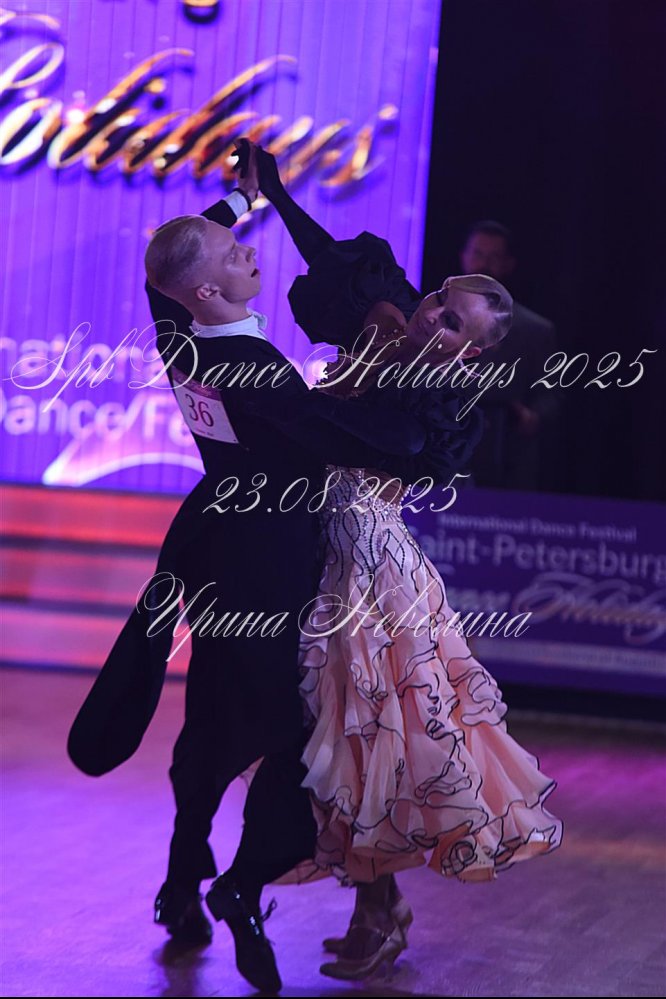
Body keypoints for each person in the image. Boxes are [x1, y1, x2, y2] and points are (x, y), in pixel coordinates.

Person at [67, 141, 434, 996]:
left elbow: (163, 277)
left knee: (212, 713)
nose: (248, 255)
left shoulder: (182, 334)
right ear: (206, 291)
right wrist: (427, 422)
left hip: (213, 538)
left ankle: (179, 883)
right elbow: (345, 437)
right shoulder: (255, 369)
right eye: (235, 253)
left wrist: (244, 199)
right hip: (267, 557)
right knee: (295, 733)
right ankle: (239, 884)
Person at [250, 147, 564, 980]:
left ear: (471, 354)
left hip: (367, 572)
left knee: (370, 744)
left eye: (452, 323)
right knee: (342, 742)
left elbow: (331, 432)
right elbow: (335, 261)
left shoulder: (435, 404)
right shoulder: (394, 339)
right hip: (326, 549)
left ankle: (378, 909)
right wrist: (275, 192)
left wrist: (265, 391)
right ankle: (379, 905)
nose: (431, 319)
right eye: (435, 301)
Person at [459, 220, 562, 490]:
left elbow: (551, 393)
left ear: (508, 264)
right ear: (464, 256)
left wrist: (533, 416)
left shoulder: (536, 330)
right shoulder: (435, 318)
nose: (484, 264)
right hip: (444, 453)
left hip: (508, 457)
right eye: (478, 254)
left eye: (494, 257)